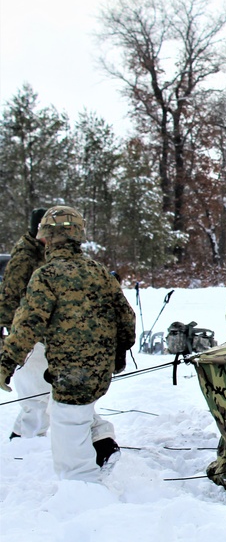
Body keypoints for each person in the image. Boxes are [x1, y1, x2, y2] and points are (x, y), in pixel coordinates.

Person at [0, 206, 135, 482]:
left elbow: (27, 325)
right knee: (76, 415)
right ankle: (102, 448)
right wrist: (119, 352)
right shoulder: (99, 272)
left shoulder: (46, 275)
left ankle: (84, 499)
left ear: (46, 238)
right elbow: (127, 319)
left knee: (72, 458)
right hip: (98, 373)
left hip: (67, 374)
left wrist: (6, 362)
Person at [0, 208, 48, 439]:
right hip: (27, 333)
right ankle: (26, 443)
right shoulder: (25, 256)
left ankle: (26, 437)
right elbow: (10, 297)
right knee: (36, 394)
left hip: (40, 332)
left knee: (42, 391)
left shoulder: (45, 252)